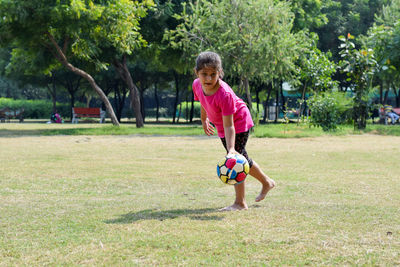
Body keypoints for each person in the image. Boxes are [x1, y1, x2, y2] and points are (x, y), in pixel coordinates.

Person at [192, 51, 275, 211]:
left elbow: (230, 125)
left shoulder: (224, 94)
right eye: (204, 74)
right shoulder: (197, 84)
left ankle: (240, 203)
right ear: (197, 73)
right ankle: (266, 182)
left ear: (220, 73)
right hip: (222, 125)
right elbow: (203, 101)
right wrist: (204, 119)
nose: (208, 78)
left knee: (235, 159)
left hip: (238, 122)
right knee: (242, 157)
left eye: (213, 74)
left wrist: (231, 149)